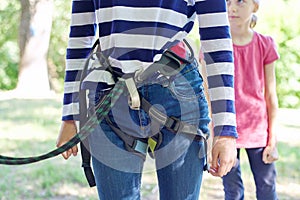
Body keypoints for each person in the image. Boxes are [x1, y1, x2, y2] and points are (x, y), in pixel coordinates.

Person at [56, 0, 238, 199]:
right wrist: (70, 116)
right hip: (110, 93)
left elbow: (216, 40)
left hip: (177, 94)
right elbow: (80, 38)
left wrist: (225, 132)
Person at [222, 0, 280, 199]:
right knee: (233, 191)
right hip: (226, 130)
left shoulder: (265, 44)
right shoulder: (216, 46)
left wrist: (272, 140)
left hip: (258, 130)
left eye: (240, 1)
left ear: (255, 6)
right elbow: (207, 95)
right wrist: (212, 136)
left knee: (267, 187)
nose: (233, 8)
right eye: (228, 2)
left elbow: (271, 95)